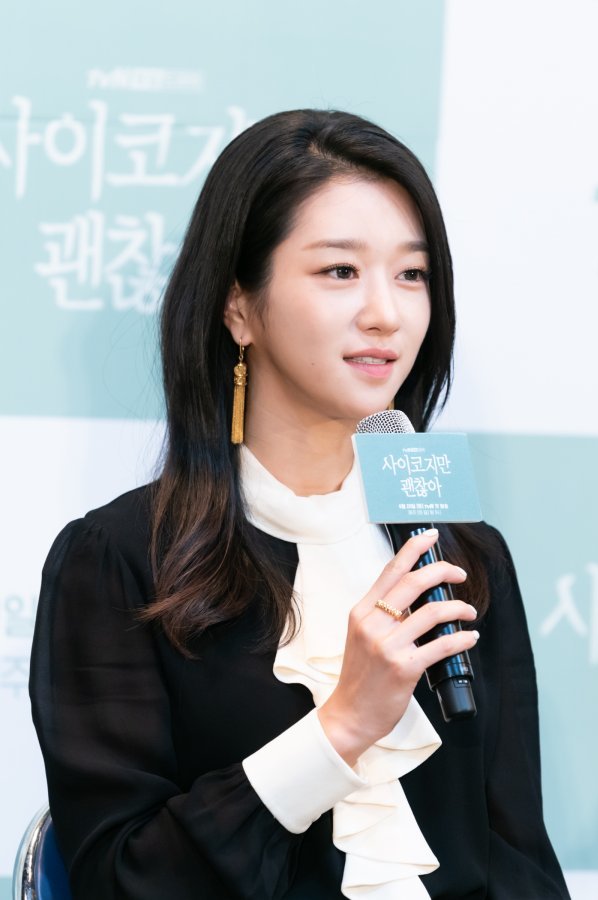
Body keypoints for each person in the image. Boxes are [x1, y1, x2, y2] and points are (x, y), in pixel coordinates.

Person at [30, 109, 570, 900]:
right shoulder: (119, 562)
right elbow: (121, 878)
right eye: (340, 271)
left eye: (412, 274)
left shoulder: (462, 558)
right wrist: (340, 727)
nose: (386, 313)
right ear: (238, 307)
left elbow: (519, 863)